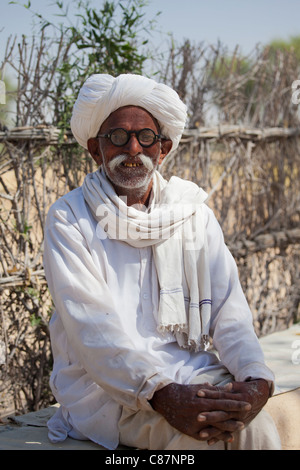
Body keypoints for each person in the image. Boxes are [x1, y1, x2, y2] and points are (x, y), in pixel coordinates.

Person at [44, 73, 281, 450]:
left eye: (146, 137)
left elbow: (229, 313)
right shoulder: (69, 218)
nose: (133, 149)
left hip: (190, 373)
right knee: (198, 439)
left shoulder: (192, 214)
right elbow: (92, 331)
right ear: (95, 149)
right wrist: (163, 395)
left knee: (258, 428)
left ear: (164, 148)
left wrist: (256, 379)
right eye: (118, 137)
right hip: (106, 390)